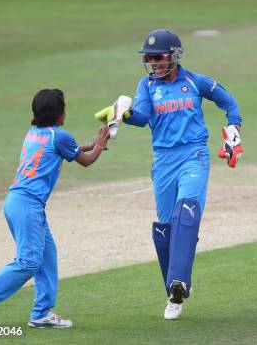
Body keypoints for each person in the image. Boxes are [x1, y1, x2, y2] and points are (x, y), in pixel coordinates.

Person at [95, 29, 243, 320]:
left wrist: (233, 131)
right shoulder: (147, 85)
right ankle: (175, 293)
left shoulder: (195, 81)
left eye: (158, 57)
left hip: (194, 153)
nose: (153, 62)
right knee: (166, 230)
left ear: (174, 56)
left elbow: (229, 103)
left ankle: (179, 280)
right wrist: (122, 113)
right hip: (163, 160)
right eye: (149, 58)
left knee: (186, 213)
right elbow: (143, 118)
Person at [0, 89, 110, 328]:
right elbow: (87, 160)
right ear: (60, 114)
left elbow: (65, 149)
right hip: (28, 205)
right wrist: (99, 145)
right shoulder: (59, 136)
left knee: (46, 255)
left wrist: (92, 144)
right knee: (29, 262)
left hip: (17, 202)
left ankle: (42, 313)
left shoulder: (34, 133)